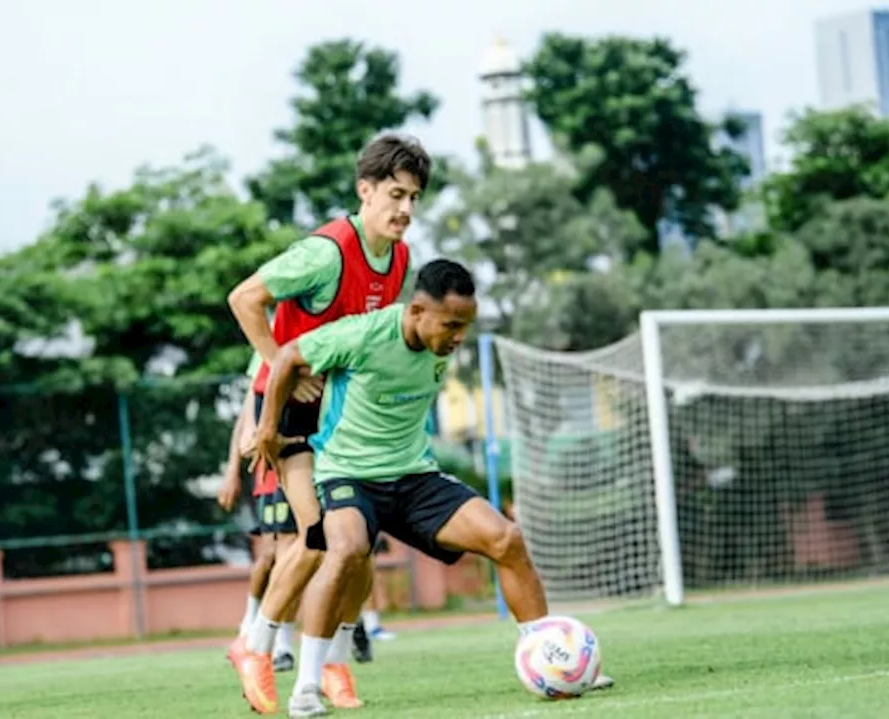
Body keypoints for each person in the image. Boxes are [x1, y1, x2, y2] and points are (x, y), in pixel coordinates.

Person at [255, 259, 614, 717]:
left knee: (506, 538)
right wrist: (268, 429)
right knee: (344, 551)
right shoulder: (360, 334)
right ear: (417, 311)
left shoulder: (439, 344)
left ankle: (553, 658)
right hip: (348, 474)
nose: (459, 336)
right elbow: (286, 357)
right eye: (451, 324)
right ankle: (306, 686)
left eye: (465, 325)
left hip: (413, 476)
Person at [227, 133, 428, 714]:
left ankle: (334, 662)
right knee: (318, 537)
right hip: (289, 408)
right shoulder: (326, 253)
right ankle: (255, 645)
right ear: (364, 190)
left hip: (340, 414)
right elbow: (245, 298)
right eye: (395, 194)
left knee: (358, 546)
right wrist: (276, 369)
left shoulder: (401, 260)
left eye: (414, 197)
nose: (405, 209)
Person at [216, 360, 296, 671]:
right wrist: (232, 470)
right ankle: (252, 623)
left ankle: (282, 645)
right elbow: (247, 415)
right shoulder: (269, 349)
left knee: (300, 553)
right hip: (273, 469)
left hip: (311, 463)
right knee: (274, 554)